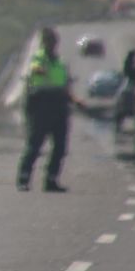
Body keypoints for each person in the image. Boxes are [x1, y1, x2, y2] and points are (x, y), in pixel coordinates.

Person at [17, 26, 85, 192]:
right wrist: (41, 70)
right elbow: (33, 70)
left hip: (59, 106)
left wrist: (75, 100)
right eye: (49, 41)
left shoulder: (60, 62)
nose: (52, 44)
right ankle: (24, 179)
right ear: (43, 42)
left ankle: (51, 179)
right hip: (41, 106)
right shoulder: (38, 58)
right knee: (34, 145)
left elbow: (65, 86)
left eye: (54, 41)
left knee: (60, 147)